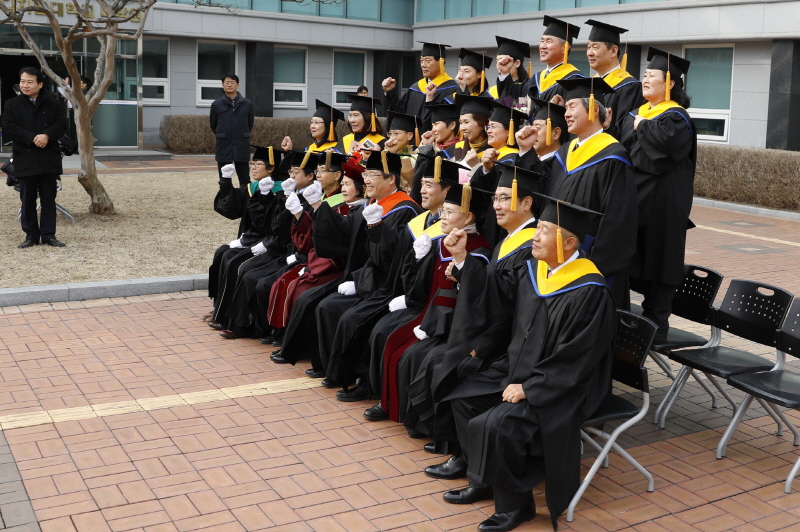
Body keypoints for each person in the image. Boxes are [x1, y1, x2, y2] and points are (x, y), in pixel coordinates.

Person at [431, 195, 616, 532]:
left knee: (497, 423)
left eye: (544, 231)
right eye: (538, 229)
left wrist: (530, 387)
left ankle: (516, 506)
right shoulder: (531, 269)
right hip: (515, 369)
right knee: (463, 396)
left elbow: (579, 356)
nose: (535, 236)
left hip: (559, 386)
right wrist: (462, 259)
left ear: (569, 242)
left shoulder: (589, 289)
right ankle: (484, 478)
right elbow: (494, 297)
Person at [405, 166, 543, 442]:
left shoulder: (530, 249)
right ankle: (449, 441)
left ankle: (459, 449)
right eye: (495, 199)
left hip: (507, 347)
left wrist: (481, 347)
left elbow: (511, 306)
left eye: (505, 198)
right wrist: (461, 264)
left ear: (527, 203)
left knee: (451, 367)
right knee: (435, 359)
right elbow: (492, 295)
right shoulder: (508, 242)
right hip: (496, 337)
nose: (497, 205)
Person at [369, 163, 492, 423]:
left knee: (412, 353)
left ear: (468, 217)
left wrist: (431, 324)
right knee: (389, 335)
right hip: (428, 313)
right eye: (443, 211)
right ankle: (390, 403)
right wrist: (416, 260)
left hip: (450, 327)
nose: (442, 217)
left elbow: (465, 300)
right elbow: (422, 288)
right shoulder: (441, 242)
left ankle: (413, 417)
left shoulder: (478, 252)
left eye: (449, 212)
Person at [316, 151, 421, 394]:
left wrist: (376, 229)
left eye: (373, 175)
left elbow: (392, 258)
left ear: (391, 179)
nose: (367, 181)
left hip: (390, 283)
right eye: (366, 175)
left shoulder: (404, 209)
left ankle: (361, 378)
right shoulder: (374, 204)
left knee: (351, 317)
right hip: (370, 277)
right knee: (327, 305)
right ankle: (335, 368)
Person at [360, 154, 454, 416]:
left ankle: (391, 401)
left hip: (433, 307)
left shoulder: (454, 232)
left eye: (429, 185)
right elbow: (397, 261)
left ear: (448, 190)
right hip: (411, 296)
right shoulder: (419, 223)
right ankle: (379, 392)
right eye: (421, 184)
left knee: (387, 332)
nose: (422, 190)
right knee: (379, 328)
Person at [620, 47, 696, 339]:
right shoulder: (637, 115)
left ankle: (656, 326)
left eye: (652, 75)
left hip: (664, 206)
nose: (645, 79)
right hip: (637, 202)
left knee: (661, 260)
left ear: (671, 83)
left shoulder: (676, 118)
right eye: (645, 75)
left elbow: (662, 153)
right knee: (633, 257)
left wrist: (644, 127)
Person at [547, 77, 638, 309]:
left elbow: (618, 219)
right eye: (565, 107)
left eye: (571, 106)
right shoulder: (565, 153)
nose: (565, 113)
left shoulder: (613, 156)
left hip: (591, 260)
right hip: (558, 254)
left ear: (593, 108)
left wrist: (595, 264)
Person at [274, 162, 372, 374]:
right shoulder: (349, 207)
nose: (344, 188)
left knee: (310, 299)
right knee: (288, 284)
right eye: (343, 184)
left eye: (348, 184)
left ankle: (304, 352)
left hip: (347, 271)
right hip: (332, 265)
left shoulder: (364, 210)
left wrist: (317, 207)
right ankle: (283, 340)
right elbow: (321, 237)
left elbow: (340, 240)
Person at [266, 152, 356, 356]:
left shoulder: (343, 205)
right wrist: (297, 213)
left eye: (324, 170)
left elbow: (333, 242)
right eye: (318, 170)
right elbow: (309, 238)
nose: (319, 174)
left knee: (300, 292)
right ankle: (280, 333)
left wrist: (311, 264)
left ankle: (295, 344)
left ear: (338, 176)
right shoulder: (319, 196)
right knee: (283, 282)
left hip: (330, 263)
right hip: (314, 257)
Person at [208, 147, 291, 335]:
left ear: (271, 169)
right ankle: (220, 309)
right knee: (222, 253)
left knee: (235, 261)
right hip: (251, 237)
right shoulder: (251, 188)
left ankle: (233, 320)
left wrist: (264, 197)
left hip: (268, 242)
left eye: (258, 164)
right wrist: (225, 183)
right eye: (251, 163)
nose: (253, 168)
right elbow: (230, 209)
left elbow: (272, 226)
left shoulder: (280, 191)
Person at [2, 67, 68, 248]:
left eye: (30, 82)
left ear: (40, 84)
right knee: (27, 199)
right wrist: (33, 138)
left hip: (48, 156)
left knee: (48, 199)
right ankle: (31, 236)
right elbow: (9, 127)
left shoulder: (54, 103)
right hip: (25, 156)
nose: (25, 85)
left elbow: (62, 124)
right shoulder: (11, 104)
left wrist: (46, 135)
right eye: (22, 81)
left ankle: (49, 235)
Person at [472, 101, 526, 246]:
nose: (488, 130)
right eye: (488, 126)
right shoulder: (487, 155)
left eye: (494, 126)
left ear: (509, 131)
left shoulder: (514, 159)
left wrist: (489, 170)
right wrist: (486, 169)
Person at [585, 20, 646, 140]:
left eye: (595, 47)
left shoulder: (630, 88)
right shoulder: (589, 85)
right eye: (588, 47)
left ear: (613, 51)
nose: (589, 53)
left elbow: (626, 132)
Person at [382, 42, 459, 131]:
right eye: (421, 60)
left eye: (428, 60)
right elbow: (399, 112)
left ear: (441, 61)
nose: (423, 65)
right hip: (411, 141)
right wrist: (390, 92)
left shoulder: (452, 89)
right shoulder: (415, 87)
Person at [524, 16, 584, 117]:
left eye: (549, 41)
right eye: (542, 41)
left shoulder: (574, 80)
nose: (543, 46)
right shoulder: (535, 79)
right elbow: (522, 108)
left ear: (565, 47)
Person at [210, 73, 254, 187]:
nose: (229, 85)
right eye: (227, 83)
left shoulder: (247, 104)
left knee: (245, 178)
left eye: (232, 83)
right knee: (224, 179)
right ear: (223, 85)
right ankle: (226, 202)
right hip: (224, 144)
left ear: (238, 85)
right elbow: (213, 124)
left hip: (241, 143)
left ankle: (245, 201)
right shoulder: (216, 104)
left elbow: (250, 124)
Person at [412, 103, 461, 203]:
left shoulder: (460, 151)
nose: (433, 130)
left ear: (452, 125)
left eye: (436, 124)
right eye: (432, 125)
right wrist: (426, 146)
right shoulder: (432, 149)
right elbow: (417, 177)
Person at [514, 97, 568, 175]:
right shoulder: (525, 159)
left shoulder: (564, 165)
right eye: (532, 127)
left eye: (537, 128)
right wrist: (524, 149)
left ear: (556, 133)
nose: (532, 132)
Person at [452, 95, 493, 166]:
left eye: (466, 122)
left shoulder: (492, 152)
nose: (462, 128)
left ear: (482, 124)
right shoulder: (458, 147)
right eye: (461, 123)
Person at [493, 36, 531, 105]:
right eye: (497, 61)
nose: (499, 64)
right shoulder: (493, 90)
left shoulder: (526, 87)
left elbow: (519, 108)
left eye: (503, 61)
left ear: (517, 63)